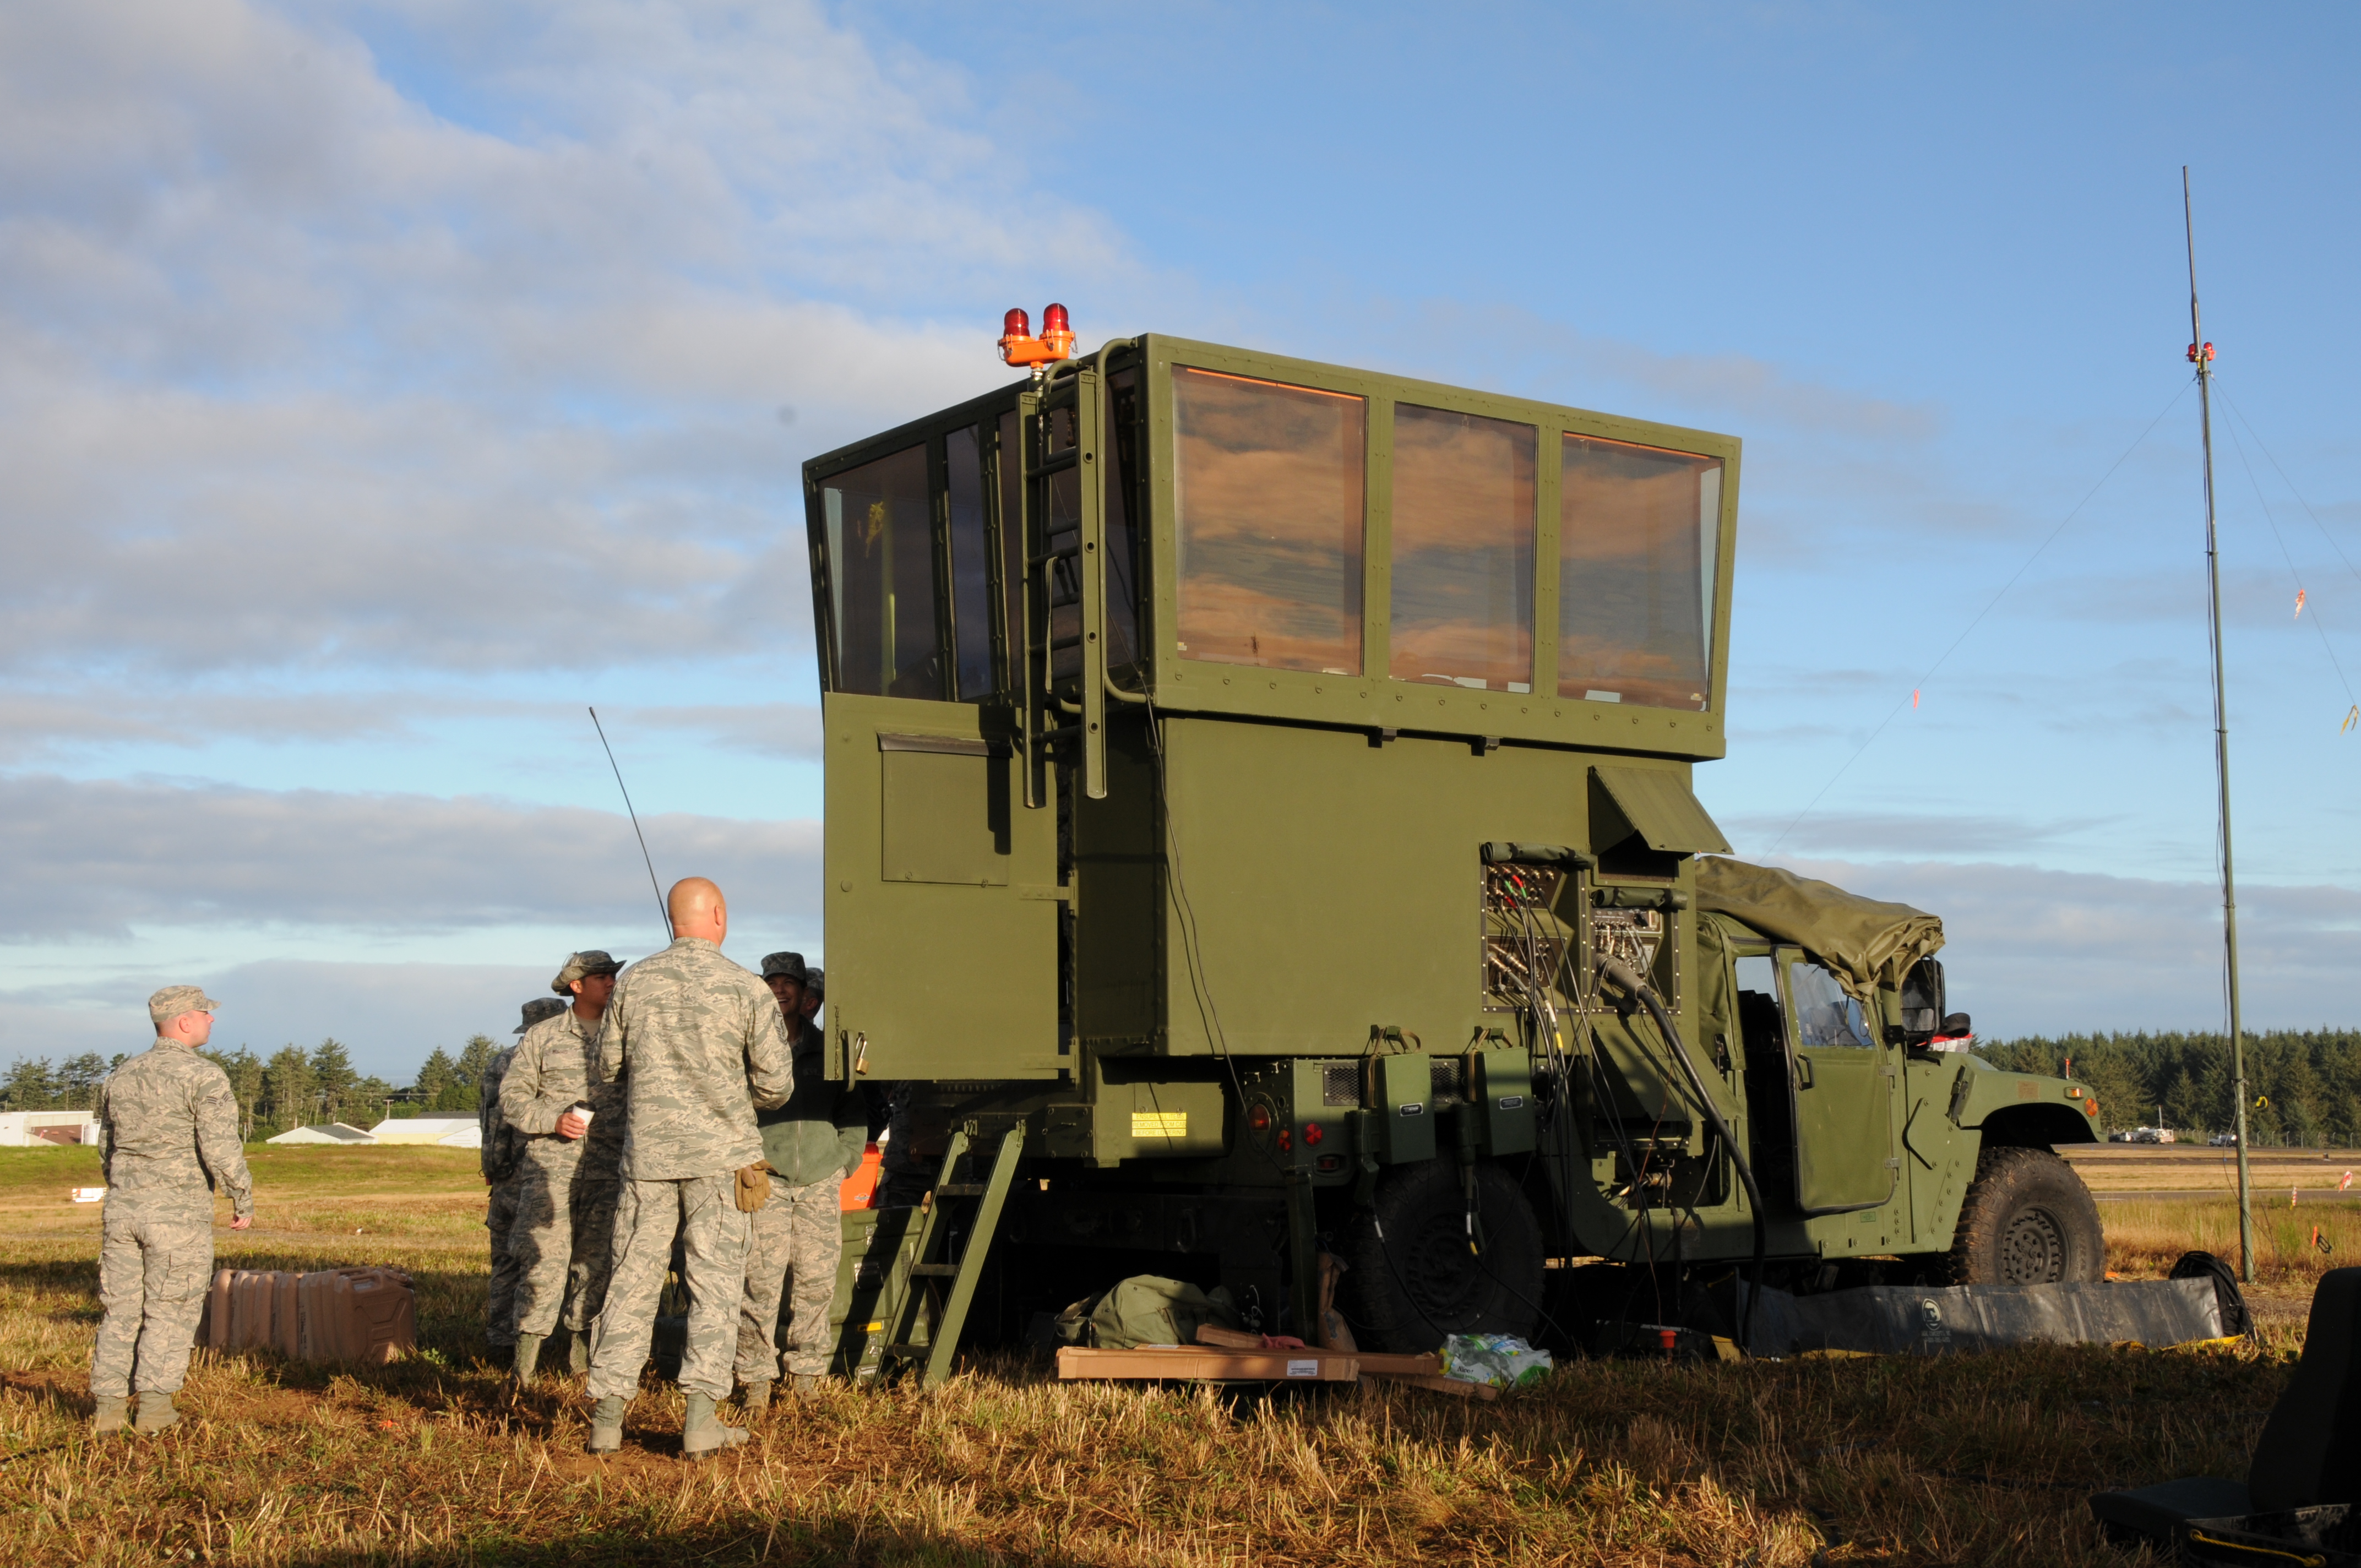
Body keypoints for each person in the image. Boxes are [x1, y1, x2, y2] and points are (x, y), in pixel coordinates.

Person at [582, 879, 792, 1461]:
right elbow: (776, 1086)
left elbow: (606, 1069)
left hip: (647, 1160)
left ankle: (606, 1420)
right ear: (718, 915)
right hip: (723, 1162)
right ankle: (700, 1423)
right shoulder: (746, 989)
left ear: (675, 921)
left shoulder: (635, 985)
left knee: (630, 1281)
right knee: (715, 1286)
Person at [88, 986, 254, 1435]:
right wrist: (243, 1196)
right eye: (205, 1013)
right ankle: (156, 1412)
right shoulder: (204, 1076)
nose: (211, 1020)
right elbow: (220, 1147)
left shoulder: (120, 1075)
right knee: (172, 1307)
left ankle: (107, 1410)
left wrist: (124, 1190)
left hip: (123, 1211)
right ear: (184, 1021)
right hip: (177, 1216)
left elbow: (107, 1146)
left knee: (120, 1310)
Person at [733, 953, 865, 1412]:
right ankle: (755, 1380)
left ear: (805, 994)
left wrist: (843, 1162)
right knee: (760, 1284)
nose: (780, 990)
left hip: (818, 1183)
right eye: (772, 983)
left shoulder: (828, 1050)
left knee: (816, 1282)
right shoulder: (748, 1048)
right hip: (765, 1183)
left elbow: (852, 1111)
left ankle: (806, 1378)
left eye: (789, 983)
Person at [498, 952, 624, 1382]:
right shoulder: (543, 1037)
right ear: (576, 985)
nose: (611, 982)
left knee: (595, 1266)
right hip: (552, 1169)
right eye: (601, 977)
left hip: (610, 1168)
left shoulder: (625, 1034)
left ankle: (580, 1363)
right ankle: (525, 1368)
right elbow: (513, 1099)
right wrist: (552, 1120)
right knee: (543, 1264)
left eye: (613, 976)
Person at [483, 998, 563, 1359]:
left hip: (509, 1175)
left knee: (507, 1261)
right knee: (550, 1259)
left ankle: (501, 1340)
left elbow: (493, 1125)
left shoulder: (501, 1062)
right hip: (546, 1174)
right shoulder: (559, 1059)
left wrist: (495, 1169)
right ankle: (550, 1341)